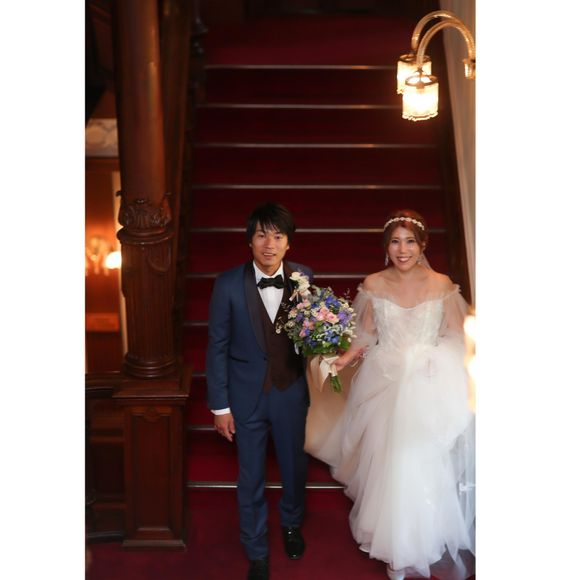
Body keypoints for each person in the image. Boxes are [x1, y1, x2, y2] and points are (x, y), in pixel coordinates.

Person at [305, 209, 475, 580]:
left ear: (423, 245)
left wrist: (434, 360)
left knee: (420, 462)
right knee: (390, 462)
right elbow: (366, 334)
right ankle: (396, 547)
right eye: (395, 242)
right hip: (384, 381)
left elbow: (455, 336)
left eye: (410, 241)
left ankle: (422, 539)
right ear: (386, 247)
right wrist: (342, 358)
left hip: (427, 383)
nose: (403, 250)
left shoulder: (442, 285)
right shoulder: (374, 284)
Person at [206, 202, 313, 580]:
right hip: (245, 397)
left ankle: (291, 524)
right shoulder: (227, 284)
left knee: (294, 467)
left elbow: (310, 333)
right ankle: (256, 549)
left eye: (278, 236)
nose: (270, 244)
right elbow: (216, 346)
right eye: (262, 235)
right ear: (249, 241)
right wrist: (220, 407)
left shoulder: (303, 277)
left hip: (290, 392)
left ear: (289, 243)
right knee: (250, 476)